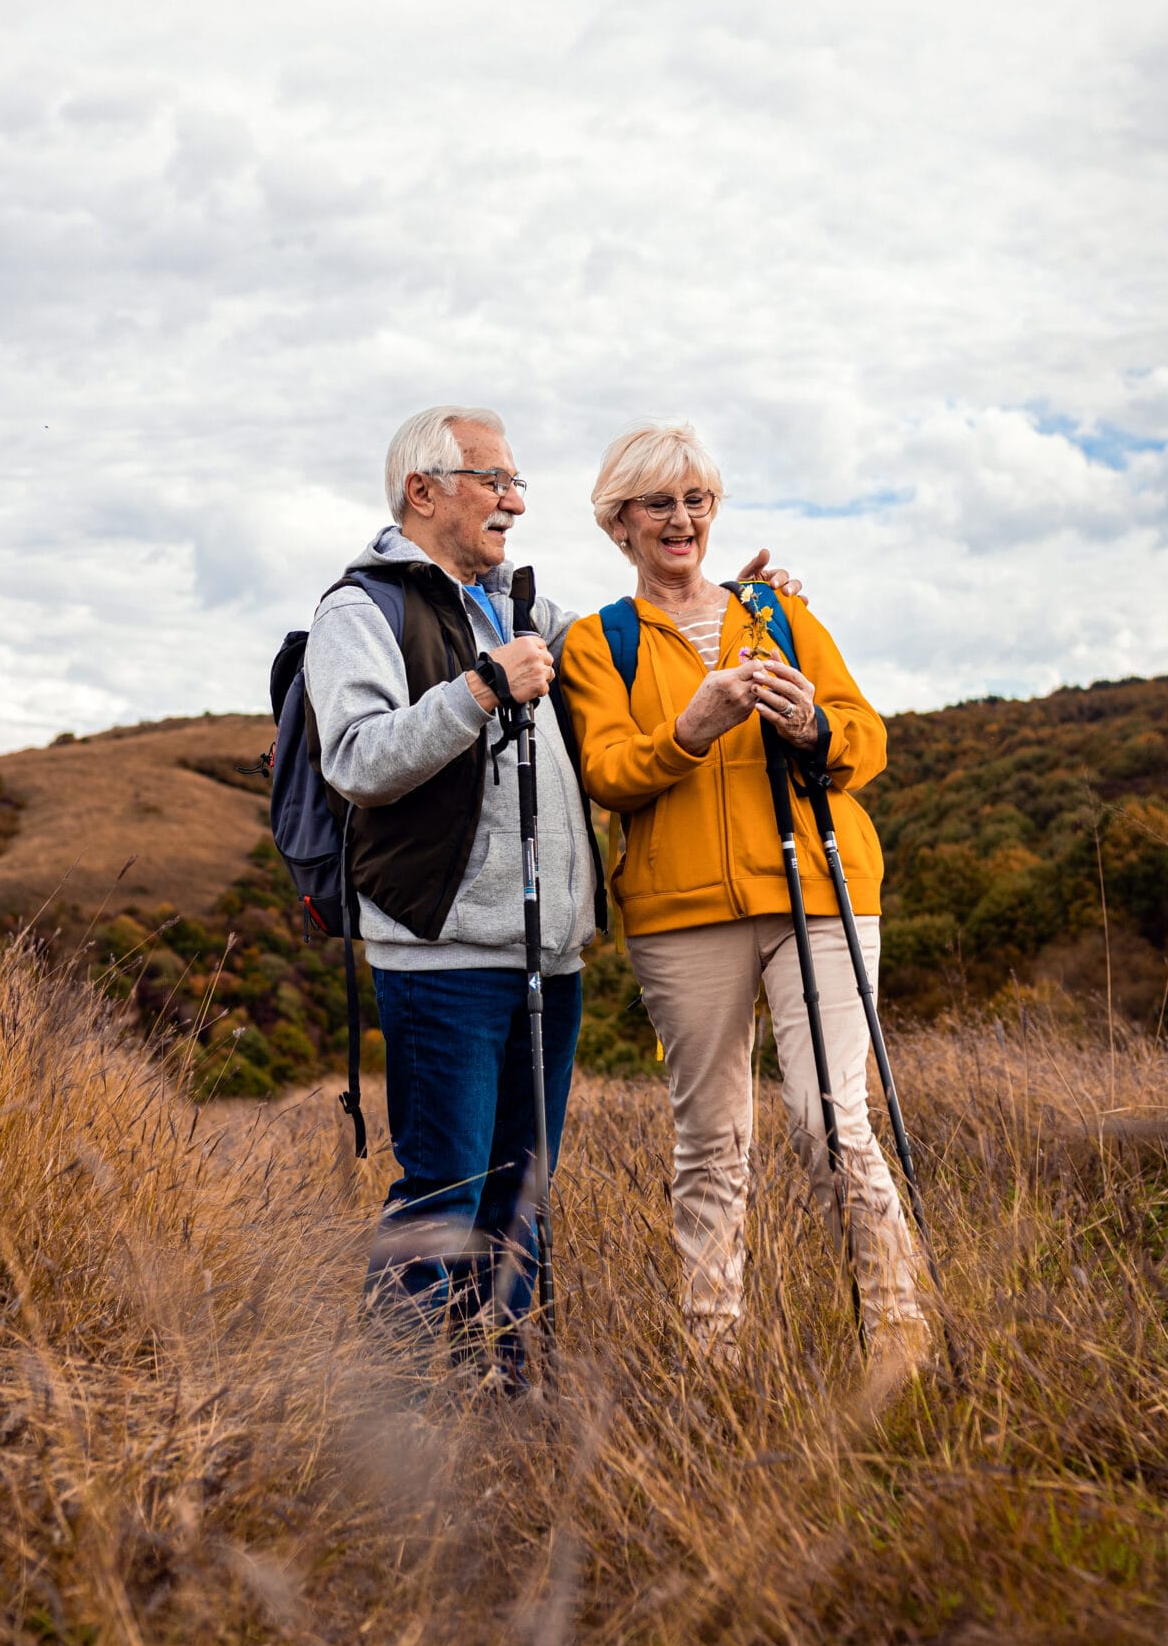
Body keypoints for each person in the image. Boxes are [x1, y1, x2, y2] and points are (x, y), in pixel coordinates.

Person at [303, 403, 805, 1392]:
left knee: (522, 1195)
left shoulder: (527, 606)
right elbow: (357, 759)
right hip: (443, 953)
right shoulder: (360, 610)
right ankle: (403, 1411)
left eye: (516, 481)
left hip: (546, 954)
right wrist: (478, 691)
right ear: (424, 492)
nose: (515, 500)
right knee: (444, 1190)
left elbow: (643, 647)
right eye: (495, 480)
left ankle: (508, 1393)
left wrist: (723, 602)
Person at [559, 420, 929, 1377]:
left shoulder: (778, 613)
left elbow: (865, 736)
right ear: (619, 523)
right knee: (712, 1145)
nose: (680, 521)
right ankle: (712, 1364)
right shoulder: (598, 644)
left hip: (819, 888)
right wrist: (690, 729)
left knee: (831, 1123)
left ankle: (899, 1346)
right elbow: (606, 773)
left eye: (697, 501)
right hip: (682, 916)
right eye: (657, 504)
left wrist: (810, 724)